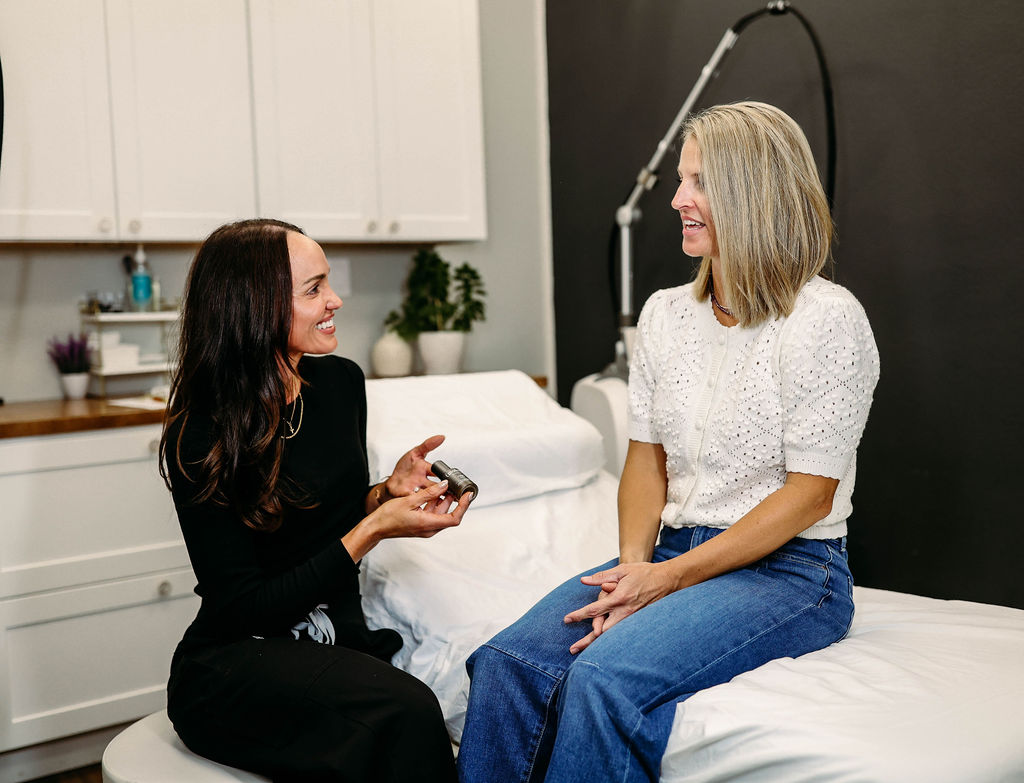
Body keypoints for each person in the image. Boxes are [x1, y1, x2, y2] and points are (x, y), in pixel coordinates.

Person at [456, 101, 880, 783]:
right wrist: (633, 570)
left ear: (754, 193)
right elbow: (645, 462)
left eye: (700, 182)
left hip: (793, 573)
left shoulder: (826, 320)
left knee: (602, 679)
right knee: (508, 663)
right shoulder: (663, 316)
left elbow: (809, 496)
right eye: (681, 180)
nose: (679, 199)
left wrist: (666, 580)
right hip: (672, 552)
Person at [159, 219, 472, 782]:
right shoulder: (200, 431)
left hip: (335, 634)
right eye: (314, 289)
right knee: (408, 714)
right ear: (255, 305)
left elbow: (324, 518)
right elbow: (246, 606)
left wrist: (383, 494)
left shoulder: (341, 385)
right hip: (235, 659)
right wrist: (373, 528)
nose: (336, 300)